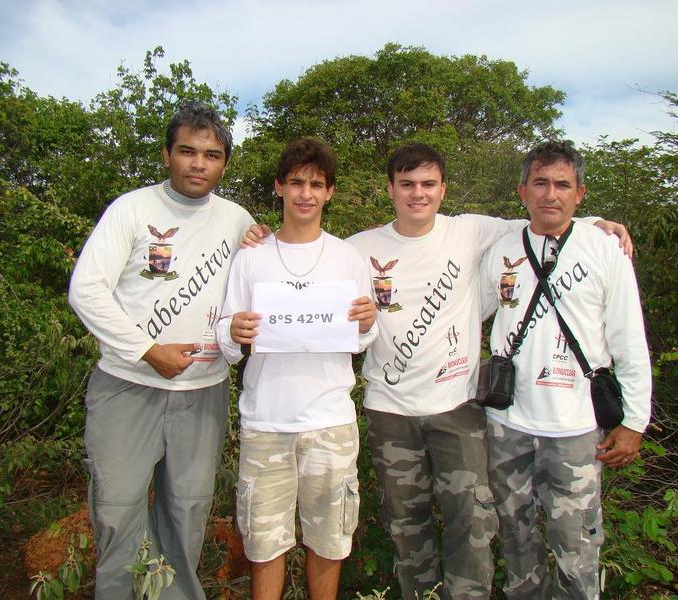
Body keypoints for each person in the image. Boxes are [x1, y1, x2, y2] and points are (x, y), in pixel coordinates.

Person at [241, 142, 630, 599]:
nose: (417, 194)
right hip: (389, 412)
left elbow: (539, 218)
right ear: (390, 188)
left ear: (444, 189)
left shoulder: (469, 232)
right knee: (407, 528)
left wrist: (594, 226)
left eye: (428, 184)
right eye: (406, 184)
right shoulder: (356, 251)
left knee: (472, 523)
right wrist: (256, 238)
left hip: (457, 408)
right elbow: (303, 260)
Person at [68, 104, 255, 600]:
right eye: (187, 151)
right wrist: (148, 350)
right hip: (127, 388)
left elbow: (251, 300)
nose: (198, 164)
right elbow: (87, 290)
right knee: (117, 509)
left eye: (211, 155)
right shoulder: (131, 209)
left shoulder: (239, 221)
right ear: (167, 155)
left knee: (187, 512)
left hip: (203, 395)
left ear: (224, 163)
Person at [479, 140, 651, 599]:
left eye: (562, 184)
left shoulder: (604, 250)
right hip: (507, 423)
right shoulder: (501, 251)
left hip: (575, 427)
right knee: (516, 544)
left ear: (580, 193)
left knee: (577, 548)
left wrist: (634, 421)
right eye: (540, 183)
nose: (550, 194)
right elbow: (465, 313)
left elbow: (629, 339)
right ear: (522, 191)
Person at [216, 138, 378, 600]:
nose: (305, 193)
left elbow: (363, 337)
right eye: (296, 183)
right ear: (279, 188)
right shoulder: (251, 257)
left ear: (330, 193)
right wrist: (236, 330)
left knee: (329, 539)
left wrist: (368, 322)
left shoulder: (349, 258)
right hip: (265, 420)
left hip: (331, 420)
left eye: (316, 184)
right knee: (264, 543)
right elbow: (225, 339)